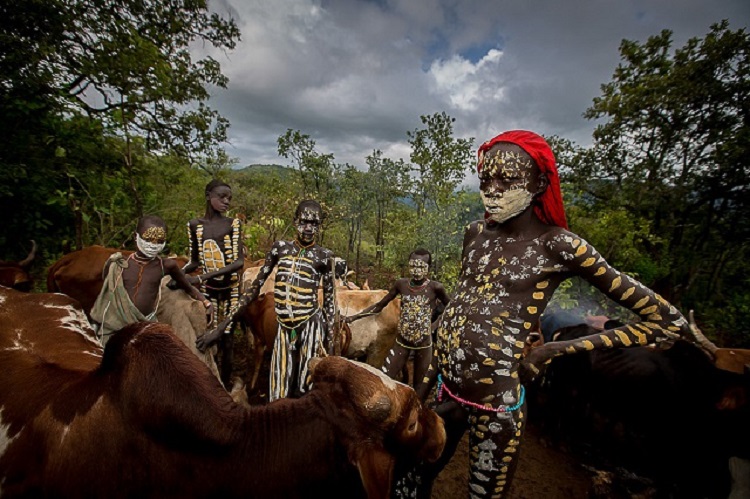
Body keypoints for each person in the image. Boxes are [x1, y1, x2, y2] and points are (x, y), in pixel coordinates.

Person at [397, 130, 692, 499]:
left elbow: (666, 322)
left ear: (538, 183)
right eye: (486, 177)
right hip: (447, 390)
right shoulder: (475, 233)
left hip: (497, 407)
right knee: (408, 481)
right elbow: (461, 309)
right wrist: (420, 392)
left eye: (507, 179)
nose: (492, 188)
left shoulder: (559, 245)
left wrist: (552, 350)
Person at [197, 199, 336, 401]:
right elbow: (253, 289)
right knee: (279, 388)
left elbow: (330, 306)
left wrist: (331, 353)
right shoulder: (280, 249)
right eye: (304, 222)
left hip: (311, 325)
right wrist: (221, 328)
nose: (308, 228)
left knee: (307, 387)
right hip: (283, 325)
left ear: (319, 225)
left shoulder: (325, 256)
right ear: (295, 220)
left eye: (314, 224)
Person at [91, 215, 212, 345]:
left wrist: (206, 302)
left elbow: (187, 287)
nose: (153, 245)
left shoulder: (166, 265)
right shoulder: (119, 263)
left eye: (159, 241)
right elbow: (106, 296)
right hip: (115, 325)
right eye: (148, 239)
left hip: (146, 325)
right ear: (135, 237)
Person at [345, 249, 450, 394]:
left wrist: (434, 325)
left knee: (420, 388)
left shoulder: (435, 288)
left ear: (428, 268)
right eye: (413, 266)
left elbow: (451, 309)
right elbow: (380, 305)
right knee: (384, 380)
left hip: (424, 345)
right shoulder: (401, 285)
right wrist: (354, 317)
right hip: (402, 342)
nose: (416, 271)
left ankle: (414, 415)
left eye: (421, 267)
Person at [181, 179, 245, 388]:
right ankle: (210, 386)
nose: (226, 202)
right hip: (209, 293)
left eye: (229, 198)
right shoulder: (195, 225)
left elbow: (238, 262)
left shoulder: (232, 224)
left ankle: (226, 389)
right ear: (208, 196)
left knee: (227, 341)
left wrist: (200, 278)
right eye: (222, 197)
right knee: (207, 340)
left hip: (231, 292)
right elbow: (195, 262)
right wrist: (179, 275)